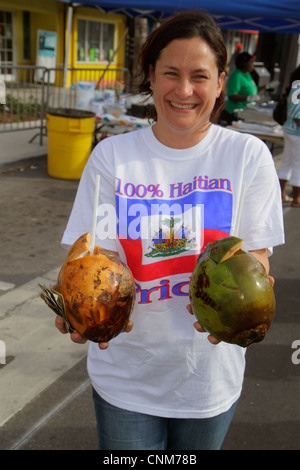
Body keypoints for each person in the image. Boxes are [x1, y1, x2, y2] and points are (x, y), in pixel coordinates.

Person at [55, 10, 284, 450]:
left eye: (199, 76)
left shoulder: (247, 157)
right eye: (170, 74)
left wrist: (247, 308)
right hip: (127, 375)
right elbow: (90, 260)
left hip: (209, 377)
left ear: (220, 83)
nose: (183, 90)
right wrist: (79, 308)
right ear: (151, 77)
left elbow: (254, 258)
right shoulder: (112, 157)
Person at [277, 66, 300, 206]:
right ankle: (297, 198)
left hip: (290, 131)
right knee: (298, 165)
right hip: (297, 132)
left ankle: (281, 194)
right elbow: (297, 115)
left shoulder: (295, 87)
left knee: (287, 162)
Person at [222, 52, 259, 124]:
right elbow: (231, 96)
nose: (252, 65)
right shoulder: (236, 76)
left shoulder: (247, 74)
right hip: (233, 113)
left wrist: (267, 86)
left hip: (244, 111)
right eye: (251, 62)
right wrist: (247, 98)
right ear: (244, 63)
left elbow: (250, 90)